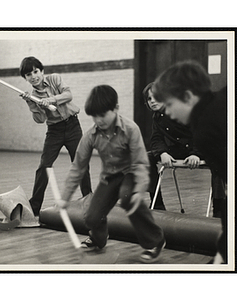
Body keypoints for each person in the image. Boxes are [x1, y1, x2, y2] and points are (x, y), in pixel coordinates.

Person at [56, 85, 165, 263]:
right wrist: (65, 197)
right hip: (109, 178)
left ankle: (155, 241)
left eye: (103, 115)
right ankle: (99, 240)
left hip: (130, 174)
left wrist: (140, 189)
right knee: (91, 218)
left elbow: (141, 162)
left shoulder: (130, 129)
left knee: (128, 197)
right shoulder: (91, 135)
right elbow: (78, 167)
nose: (98, 120)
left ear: (115, 109)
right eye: (94, 116)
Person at [153, 60, 227, 264]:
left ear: (187, 96)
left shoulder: (206, 130)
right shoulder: (223, 98)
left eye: (169, 104)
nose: (167, 112)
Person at [19, 56, 92, 217]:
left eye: (36, 71)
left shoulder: (54, 79)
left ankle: (88, 199)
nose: (34, 76)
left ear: (42, 71)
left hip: (73, 126)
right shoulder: (33, 95)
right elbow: (40, 120)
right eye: (29, 75)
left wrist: (50, 100)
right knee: (44, 166)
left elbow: (68, 95)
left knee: (81, 163)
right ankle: (34, 207)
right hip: (54, 131)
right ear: (25, 78)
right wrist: (31, 103)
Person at [143, 82, 202, 211]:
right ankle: (157, 204)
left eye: (156, 97)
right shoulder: (157, 117)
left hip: (201, 150)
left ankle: (220, 209)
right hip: (182, 150)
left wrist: (195, 153)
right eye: (149, 99)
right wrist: (162, 153)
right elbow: (156, 138)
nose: (152, 101)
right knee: (146, 158)